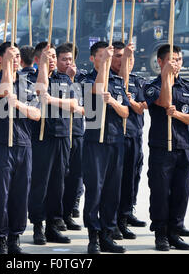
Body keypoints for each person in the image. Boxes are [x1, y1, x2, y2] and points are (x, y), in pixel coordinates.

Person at [0, 42, 41, 254]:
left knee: (21, 193)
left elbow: (37, 114)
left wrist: (18, 105)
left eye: (17, 56)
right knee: (0, 194)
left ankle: (15, 237)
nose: (15, 59)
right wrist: (6, 68)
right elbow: (3, 91)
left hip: (23, 145)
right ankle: (1, 239)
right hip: (0, 145)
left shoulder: (27, 84)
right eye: (10, 56)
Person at [144, 44, 189, 251]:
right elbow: (165, 101)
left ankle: (175, 232)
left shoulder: (187, 86)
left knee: (181, 192)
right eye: (171, 60)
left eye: (179, 60)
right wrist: (166, 77)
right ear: (160, 62)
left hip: (183, 147)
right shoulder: (152, 86)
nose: (176, 63)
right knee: (160, 192)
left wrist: (176, 114)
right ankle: (161, 234)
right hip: (161, 148)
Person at [28, 42, 81, 246]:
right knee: (40, 183)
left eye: (52, 56)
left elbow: (74, 104)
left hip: (61, 136)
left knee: (58, 184)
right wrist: (42, 67)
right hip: (41, 137)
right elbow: (40, 94)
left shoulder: (64, 78)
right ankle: (37, 227)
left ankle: (53, 225)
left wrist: (52, 101)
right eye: (46, 56)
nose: (50, 59)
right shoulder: (30, 77)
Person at [81, 41, 129, 254]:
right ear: (93, 59)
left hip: (115, 141)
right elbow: (97, 89)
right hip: (95, 141)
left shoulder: (117, 82)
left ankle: (107, 234)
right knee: (95, 190)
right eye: (103, 56)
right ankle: (93, 236)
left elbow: (127, 112)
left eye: (108, 56)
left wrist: (114, 103)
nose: (107, 59)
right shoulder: (85, 78)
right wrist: (106, 67)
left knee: (112, 191)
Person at [113, 41, 147, 240]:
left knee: (130, 180)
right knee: (114, 183)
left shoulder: (138, 81)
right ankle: (112, 220)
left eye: (128, 57)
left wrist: (129, 101)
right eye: (120, 56)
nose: (124, 60)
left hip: (133, 136)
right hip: (114, 138)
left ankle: (125, 217)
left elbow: (142, 107)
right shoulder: (108, 80)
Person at [56, 43, 84, 232]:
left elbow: (84, 108)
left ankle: (67, 214)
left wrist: (72, 81)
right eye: (64, 59)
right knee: (58, 177)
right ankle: (55, 217)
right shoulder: (52, 79)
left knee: (75, 177)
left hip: (77, 132)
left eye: (70, 59)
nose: (67, 62)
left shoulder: (81, 79)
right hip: (58, 133)